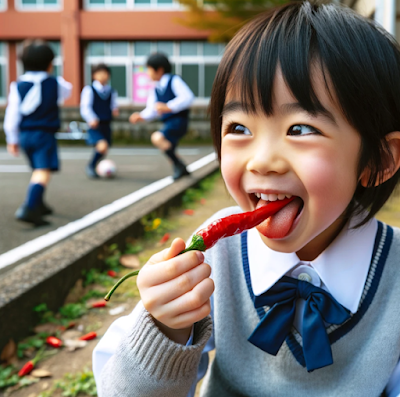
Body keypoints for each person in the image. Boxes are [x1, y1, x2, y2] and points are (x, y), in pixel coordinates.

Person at [93, 3, 400, 396]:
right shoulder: (217, 255)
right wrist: (167, 327)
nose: (262, 160)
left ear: (379, 160)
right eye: (239, 126)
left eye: (301, 128)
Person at [4, 40, 72, 226]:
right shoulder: (54, 83)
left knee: (37, 169)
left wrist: (12, 139)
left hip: (25, 135)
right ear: (50, 64)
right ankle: (29, 207)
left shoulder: (17, 86)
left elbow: (12, 115)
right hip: (44, 135)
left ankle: (40, 204)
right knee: (43, 172)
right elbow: (68, 91)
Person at [129, 53, 194, 180]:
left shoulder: (174, 80)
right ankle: (180, 168)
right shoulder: (156, 88)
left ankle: (179, 166)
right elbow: (152, 109)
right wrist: (141, 116)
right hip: (168, 122)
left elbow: (188, 97)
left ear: (159, 69)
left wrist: (168, 106)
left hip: (179, 121)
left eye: (148, 69)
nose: (147, 73)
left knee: (157, 138)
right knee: (169, 147)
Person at [80, 63, 119, 178]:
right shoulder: (89, 89)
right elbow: (85, 107)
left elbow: (113, 105)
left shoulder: (111, 91)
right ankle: (91, 166)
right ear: (94, 75)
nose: (103, 76)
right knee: (102, 145)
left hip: (106, 123)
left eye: (105, 73)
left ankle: (96, 166)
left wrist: (115, 110)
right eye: (100, 73)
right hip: (95, 124)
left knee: (104, 148)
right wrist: (91, 118)